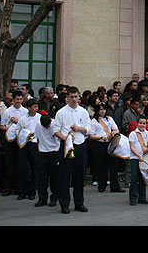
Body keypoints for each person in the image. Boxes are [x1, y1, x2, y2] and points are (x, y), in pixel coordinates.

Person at [52, 86, 91, 214]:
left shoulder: (83, 112)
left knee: (79, 176)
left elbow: (88, 129)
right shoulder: (61, 112)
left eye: (76, 97)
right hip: (66, 146)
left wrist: (78, 128)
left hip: (80, 145)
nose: (74, 99)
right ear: (67, 98)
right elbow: (55, 130)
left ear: (79, 97)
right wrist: (66, 139)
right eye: (71, 97)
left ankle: (79, 203)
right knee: (64, 176)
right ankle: (64, 203)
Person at [89, 103, 123, 193]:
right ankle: (101, 184)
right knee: (101, 166)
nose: (102, 111)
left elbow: (116, 129)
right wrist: (100, 137)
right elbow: (91, 135)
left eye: (104, 109)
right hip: (99, 144)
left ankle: (115, 186)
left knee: (113, 165)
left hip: (110, 143)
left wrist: (114, 132)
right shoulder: (94, 121)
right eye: (100, 109)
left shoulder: (109, 119)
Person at [0, 90, 27, 197]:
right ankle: (8, 187)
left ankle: (19, 187)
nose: (19, 101)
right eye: (17, 99)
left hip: (21, 139)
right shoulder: (7, 111)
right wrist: (10, 128)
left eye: (20, 99)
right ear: (13, 100)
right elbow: (2, 126)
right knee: (9, 163)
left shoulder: (24, 111)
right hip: (9, 140)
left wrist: (18, 121)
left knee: (20, 164)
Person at [16, 98, 41, 200]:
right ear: (29, 108)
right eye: (34, 106)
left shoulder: (39, 117)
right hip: (25, 144)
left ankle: (32, 191)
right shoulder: (23, 118)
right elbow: (18, 130)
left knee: (34, 168)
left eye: (37, 106)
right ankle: (22, 191)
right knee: (22, 167)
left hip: (35, 144)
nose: (36, 108)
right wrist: (25, 134)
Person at [34, 113, 60, 207]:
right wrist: (39, 150)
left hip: (54, 151)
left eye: (47, 126)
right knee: (42, 177)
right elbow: (37, 138)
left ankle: (54, 197)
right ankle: (42, 198)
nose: (46, 127)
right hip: (43, 152)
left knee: (54, 177)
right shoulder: (38, 125)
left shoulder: (55, 125)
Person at [128, 115, 148, 205]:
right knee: (134, 178)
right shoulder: (133, 134)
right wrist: (139, 155)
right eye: (140, 123)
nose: (142, 125)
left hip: (144, 158)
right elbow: (132, 147)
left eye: (144, 123)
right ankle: (133, 198)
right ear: (137, 123)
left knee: (143, 177)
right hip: (135, 158)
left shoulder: (147, 133)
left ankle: (142, 197)